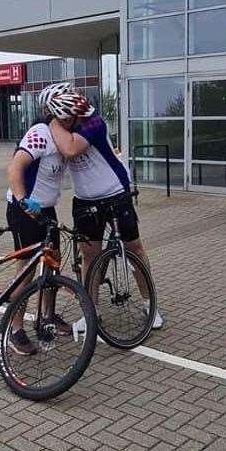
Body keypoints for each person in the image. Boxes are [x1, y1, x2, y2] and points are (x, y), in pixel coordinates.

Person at [43, 88, 163, 329]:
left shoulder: (93, 122)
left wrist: (52, 121)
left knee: (134, 249)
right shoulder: (62, 125)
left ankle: (150, 304)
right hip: (85, 200)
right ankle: (91, 311)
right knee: (90, 256)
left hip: (115, 192)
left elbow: (70, 149)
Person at [5, 82, 72, 355]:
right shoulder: (40, 133)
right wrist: (23, 201)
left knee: (53, 263)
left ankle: (47, 315)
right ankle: (15, 327)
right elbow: (15, 167)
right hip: (24, 207)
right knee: (27, 269)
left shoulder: (66, 136)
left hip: (46, 210)